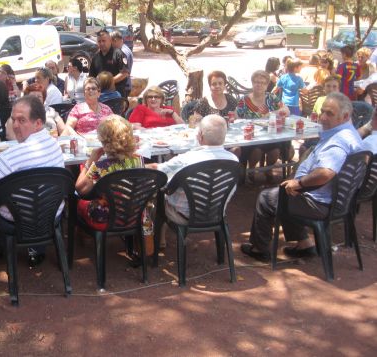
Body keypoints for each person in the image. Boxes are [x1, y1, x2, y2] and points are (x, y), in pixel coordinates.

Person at [240, 92, 362, 262]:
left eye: (330, 113)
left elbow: (326, 173)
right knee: (284, 191)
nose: (323, 117)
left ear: (345, 116)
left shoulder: (339, 141)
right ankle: (304, 243)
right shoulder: (350, 133)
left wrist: (300, 183)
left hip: (319, 204)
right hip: (335, 201)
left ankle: (259, 249)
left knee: (267, 197)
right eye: (323, 111)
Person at [0, 95, 65, 267]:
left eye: (22, 120)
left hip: (17, 221)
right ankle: (36, 249)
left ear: (38, 123)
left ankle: (0, 247)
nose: (15, 125)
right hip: (53, 215)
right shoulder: (54, 144)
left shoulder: (11, 156)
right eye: (13, 119)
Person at [147, 115, 239, 247]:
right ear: (224, 136)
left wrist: (139, 166)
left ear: (200, 135)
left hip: (183, 216)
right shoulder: (234, 161)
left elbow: (158, 169)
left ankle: (158, 240)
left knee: (156, 199)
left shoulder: (187, 159)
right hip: (216, 212)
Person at [75, 115, 143, 231]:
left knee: (80, 203)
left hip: (107, 217)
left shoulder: (101, 167)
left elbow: (80, 189)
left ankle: (83, 238)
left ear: (104, 141)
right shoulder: (138, 160)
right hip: (134, 213)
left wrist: (91, 161)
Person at [236, 70, 290, 183]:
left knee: (275, 151)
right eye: (256, 82)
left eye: (262, 82)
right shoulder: (245, 100)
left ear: (267, 85)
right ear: (252, 83)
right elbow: (236, 116)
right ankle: (251, 170)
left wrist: (272, 113)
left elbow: (286, 110)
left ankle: (268, 170)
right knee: (256, 151)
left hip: (269, 134)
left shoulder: (271, 97)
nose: (259, 85)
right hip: (252, 136)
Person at [88, 29, 129, 97]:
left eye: (104, 41)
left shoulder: (118, 54)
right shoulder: (95, 57)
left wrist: (108, 82)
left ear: (110, 41)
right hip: (100, 95)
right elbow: (91, 76)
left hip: (117, 94)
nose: (101, 43)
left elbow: (124, 73)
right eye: (99, 41)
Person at [111, 30, 133, 96]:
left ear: (115, 40)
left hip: (123, 87)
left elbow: (124, 73)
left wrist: (108, 82)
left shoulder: (123, 52)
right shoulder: (124, 48)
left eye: (110, 41)